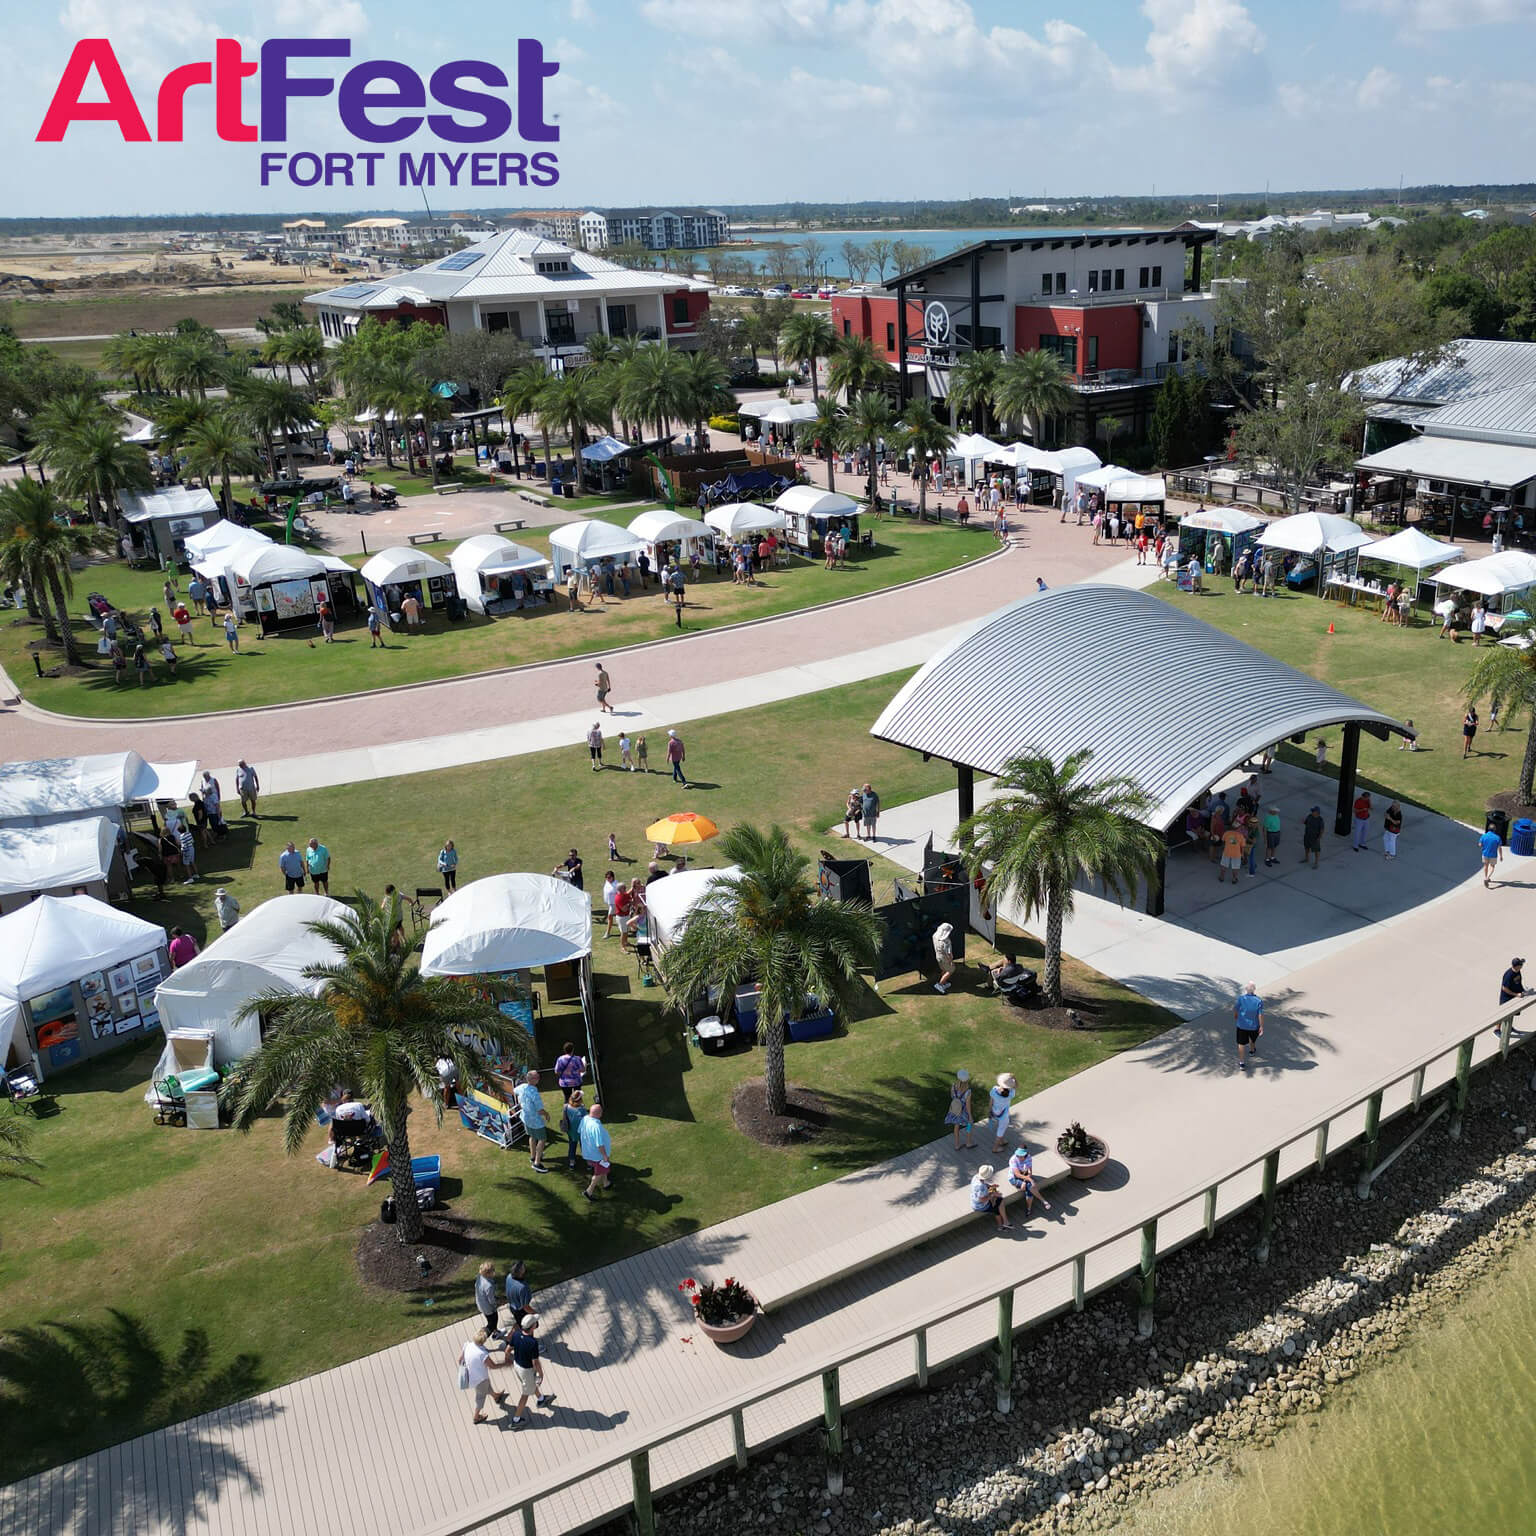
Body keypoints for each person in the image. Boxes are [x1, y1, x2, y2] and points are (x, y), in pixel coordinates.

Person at [506, 1313, 555, 1426]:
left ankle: (541, 1399)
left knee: (530, 1384)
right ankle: (516, 1420)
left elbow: (507, 1350)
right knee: (525, 1394)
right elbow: (535, 1362)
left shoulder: (516, 1334)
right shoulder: (532, 1343)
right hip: (526, 1370)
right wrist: (541, 1374)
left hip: (517, 1366)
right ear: (533, 1327)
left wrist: (508, 1360)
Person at [457, 1328, 508, 1425]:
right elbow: (493, 1366)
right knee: (480, 1398)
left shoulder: (467, 1345)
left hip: (475, 1377)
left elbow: (459, 1360)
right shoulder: (482, 1354)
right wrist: (504, 1364)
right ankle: (476, 1417)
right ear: (483, 1340)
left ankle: (496, 1396)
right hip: (479, 1379)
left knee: (487, 1387)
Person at [578, 1100, 612, 1200]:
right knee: (598, 1173)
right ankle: (589, 1191)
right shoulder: (596, 1126)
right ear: (599, 1114)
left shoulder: (585, 1119)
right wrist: (605, 1156)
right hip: (598, 1155)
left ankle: (606, 1183)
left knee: (603, 1169)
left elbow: (580, 1131)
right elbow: (599, 1145)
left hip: (588, 1152)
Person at [516, 1070, 550, 1172]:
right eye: (537, 1077)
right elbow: (540, 1110)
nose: (539, 1078)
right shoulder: (534, 1093)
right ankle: (537, 1163)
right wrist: (547, 1114)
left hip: (525, 1117)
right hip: (535, 1120)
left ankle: (533, 1156)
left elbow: (514, 1091)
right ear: (533, 1080)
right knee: (542, 1139)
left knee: (532, 1136)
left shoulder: (521, 1087)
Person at [1007, 1145, 1052, 1217]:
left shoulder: (1029, 1157)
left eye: (1020, 1155)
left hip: (1024, 1175)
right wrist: (1030, 1179)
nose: (1018, 1157)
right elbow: (1017, 1174)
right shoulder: (1013, 1159)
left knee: (1029, 1188)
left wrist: (1025, 1181)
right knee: (1030, 1186)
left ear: (1025, 1154)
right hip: (1013, 1178)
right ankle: (1043, 1201)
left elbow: (1030, 1171)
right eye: (1017, 1155)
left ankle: (1029, 1208)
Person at [1234, 983, 1264, 1072]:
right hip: (1254, 1026)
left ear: (1246, 989)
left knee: (1241, 1044)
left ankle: (1242, 1063)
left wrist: (1236, 1016)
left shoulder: (1241, 998)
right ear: (1254, 989)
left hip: (1241, 1026)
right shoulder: (1258, 1001)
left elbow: (1236, 1009)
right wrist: (1261, 1026)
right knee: (1252, 1038)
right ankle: (1251, 1051)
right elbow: (1260, 1015)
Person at [944, 1067, 976, 1150]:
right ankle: (968, 1143)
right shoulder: (968, 1091)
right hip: (964, 1111)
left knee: (956, 1126)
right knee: (969, 1125)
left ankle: (957, 1145)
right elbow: (968, 1105)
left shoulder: (953, 1086)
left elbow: (952, 1096)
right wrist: (970, 1116)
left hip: (955, 1110)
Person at [969, 1164, 1009, 1230]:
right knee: (997, 1207)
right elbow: (982, 1199)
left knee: (997, 1199)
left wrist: (991, 1187)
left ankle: (1004, 1223)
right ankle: (1001, 1226)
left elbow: (985, 1186)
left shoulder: (976, 1177)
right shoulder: (980, 1187)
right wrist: (993, 1194)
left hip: (974, 1200)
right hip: (980, 1206)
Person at [988, 1072, 1017, 1153]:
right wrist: (1013, 1077)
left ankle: (1002, 1141)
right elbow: (1016, 1086)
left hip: (995, 1112)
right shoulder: (1011, 1093)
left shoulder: (994, 1090)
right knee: (1000, 1130)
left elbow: (991, 1101)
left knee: (1001, 1128)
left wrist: (990, 1111)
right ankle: (995, 1148)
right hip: (1003, 1116)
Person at [561, 1089, 587, 1171]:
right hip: (581, 1131)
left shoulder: (566, 1106)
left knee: (572, 1146)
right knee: (584, 1146)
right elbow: (586, 1120)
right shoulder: (582, 1109)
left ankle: (572, 1163)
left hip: (571, 1131)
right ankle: (589, 1162)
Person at [475, 1261, 501, 1339]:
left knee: (490, 1320)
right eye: (493, 1270)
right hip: (488, 1307)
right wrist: (497, 1303)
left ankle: (496, 1332)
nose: (494, 1271)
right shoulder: (488, 1286)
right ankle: (480, 1339)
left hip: (481, 1304)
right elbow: (491, 1300)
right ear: (488, 1273)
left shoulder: (480, 1276)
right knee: (492, 1323)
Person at [504, 1260, 533, 1328]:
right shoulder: (523, 1287)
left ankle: (510, 1336)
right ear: (520, 1273)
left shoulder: (509, 1277)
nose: (525, 1268)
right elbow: (525, 1307)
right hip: (521, 1311)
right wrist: (534, 1313)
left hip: (512, 1307)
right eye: (523, 1268)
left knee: (519, 1323)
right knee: (529, 1326)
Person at [1218, 816, 1246, 884]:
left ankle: (1222, 877)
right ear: (1238, 828)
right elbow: (1242, 847)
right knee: (1235, 867)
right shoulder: (1241, 836)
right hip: (1236, 854)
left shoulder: (1227, 833)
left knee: (1224, 865)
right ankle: (1234, 879)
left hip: (1226, 852)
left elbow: (1223, 841)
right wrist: (1242, 854)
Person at [933, 921, 955, 994]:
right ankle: (940, 984)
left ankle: (944, 983)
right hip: (945, 958)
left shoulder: (935, 936)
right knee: (950, 970)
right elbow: (949, 953)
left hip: (938, 957)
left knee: (943, 969)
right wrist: (951, 961)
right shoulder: (947, 942)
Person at [1480, 822, 1504, 888]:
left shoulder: (1484, 836)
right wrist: (1501, 856)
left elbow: (1480, 844)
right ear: (1495, 829)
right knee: (1492, 867)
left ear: (1488, 829)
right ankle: (1487, 878)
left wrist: (1483, 846)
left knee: (1485, 866)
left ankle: (1485, 877)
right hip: (1493, 855)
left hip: (1485, 854)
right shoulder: (1497, 837)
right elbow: (1499, 848)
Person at [1302, 805, 1325, 869]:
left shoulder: (1320, 820)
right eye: (1312, 811)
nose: (1312, 812)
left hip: (1315, 837)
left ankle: (1316, 863)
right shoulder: (1309, 816)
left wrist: (1319, 837)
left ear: (1317, 812)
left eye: (1313, 811)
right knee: (1306, 847)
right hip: (1307, 835)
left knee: (1316, 850)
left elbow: (1322, 830)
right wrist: (1304, 822)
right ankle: (1306, 859)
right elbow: (1306, 822)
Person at [602, 872, 619, 936]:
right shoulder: (607, 882)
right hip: (610, 903)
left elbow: (619, 894)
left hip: (614, 904)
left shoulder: (616, 885)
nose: (607, 879)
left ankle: (607, 933)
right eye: (606, 878)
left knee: (610, 916)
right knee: (618, 917)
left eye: (609, 877)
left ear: (613, 877)